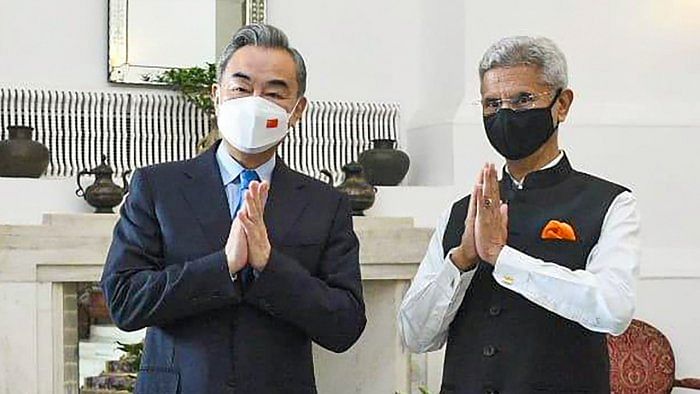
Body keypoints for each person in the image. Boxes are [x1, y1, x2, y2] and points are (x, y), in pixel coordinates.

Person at [101, 24, 366, 394]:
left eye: (274, 93)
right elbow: (125, 301)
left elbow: (345, 325)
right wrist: (222, 265)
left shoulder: (326, 203)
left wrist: (269, 266)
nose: (255, 102)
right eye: (241, 88)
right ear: (217, 96)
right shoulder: (157, 188)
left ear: (298, 109)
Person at [398, 36, 640, 393]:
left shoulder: (610, 202)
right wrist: (462, 259)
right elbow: (415, 336)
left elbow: (613, 308)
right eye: (492, 103)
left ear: (562, 104)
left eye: (523, 99)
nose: (506, 115)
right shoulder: (461, 212)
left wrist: (502, 258)